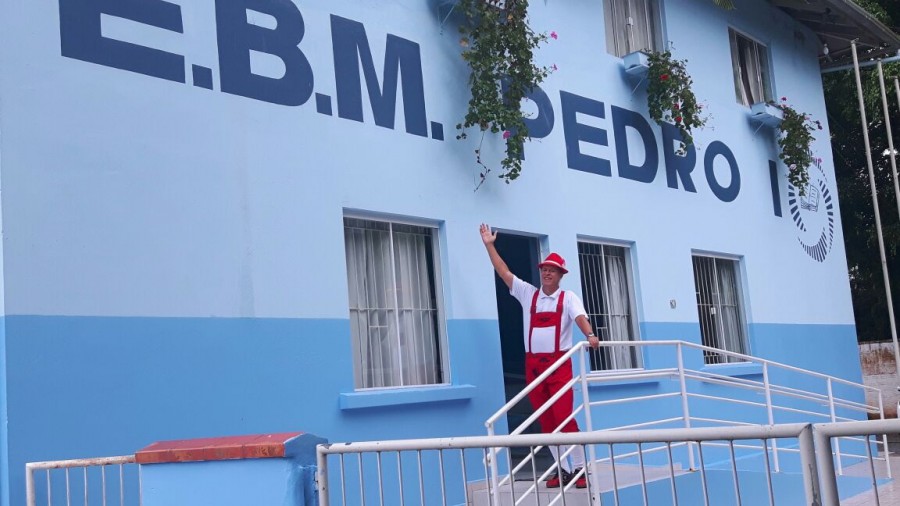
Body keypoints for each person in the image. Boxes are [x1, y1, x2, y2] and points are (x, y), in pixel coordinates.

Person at [480, 223, 600, 489]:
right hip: (534, 367)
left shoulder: (568, 298)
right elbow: (503, 272)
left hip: (559, 366)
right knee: (546, 422)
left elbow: (580, 317)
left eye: (552, 270)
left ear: (560, 275)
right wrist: (489, 245)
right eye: (544, 269)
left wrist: (590, 334)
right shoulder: (529, 294)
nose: (546, 273)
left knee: (564, 418)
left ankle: (580, 468)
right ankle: (564, 470)